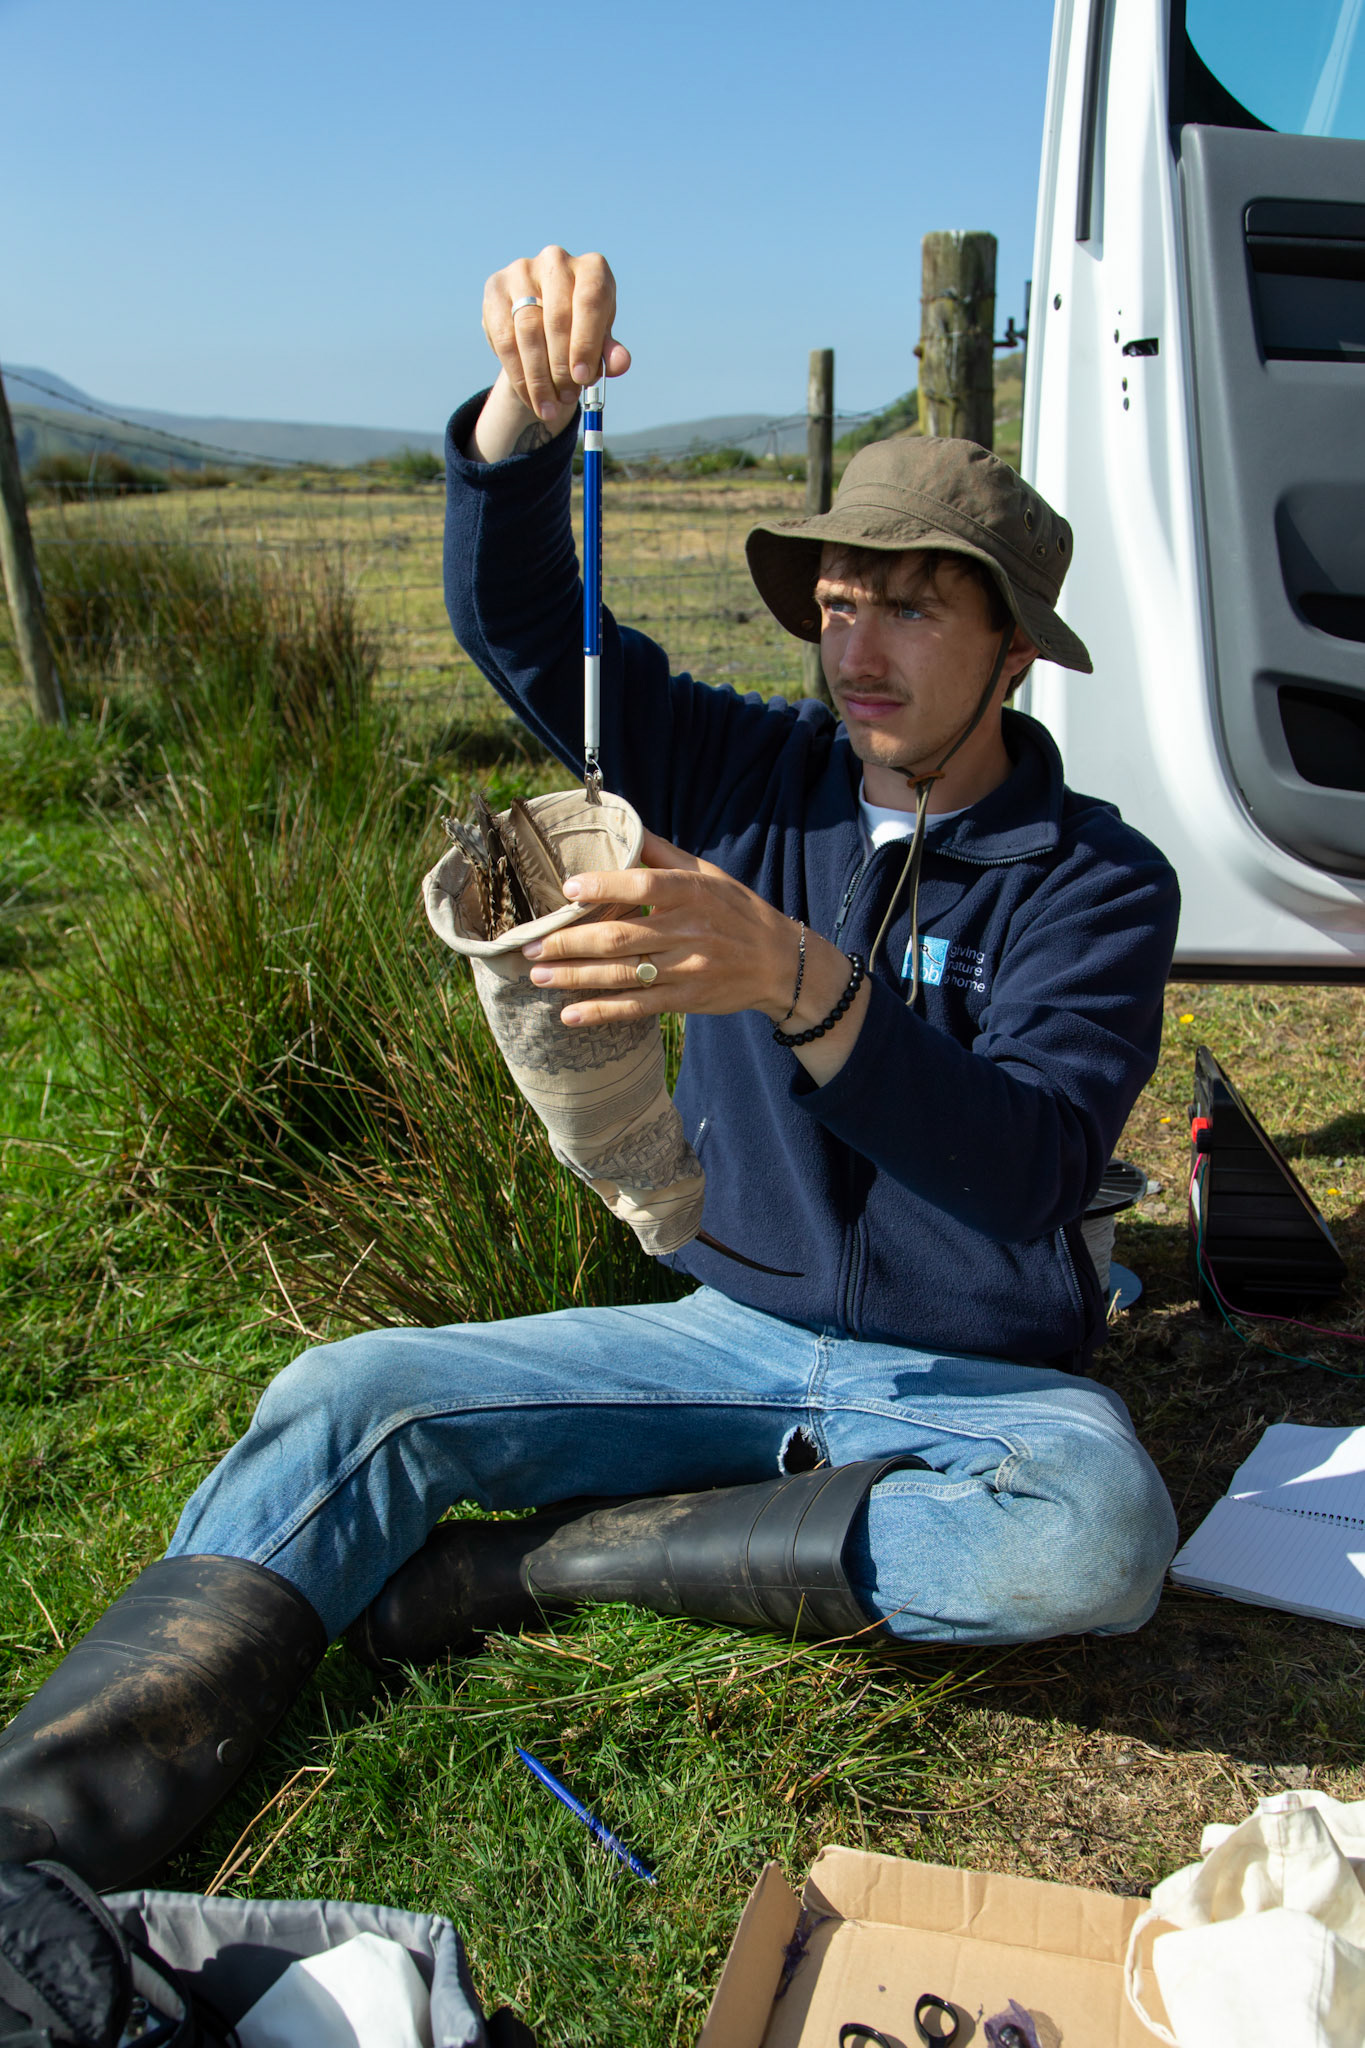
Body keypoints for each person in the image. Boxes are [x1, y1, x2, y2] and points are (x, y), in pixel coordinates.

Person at [0, 248, 1181, 1891]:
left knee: (1101, 1532)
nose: (858, 647)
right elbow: (520, 630)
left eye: (914, 604)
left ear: (1012, 651)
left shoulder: (1098, 880)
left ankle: (547, 1570)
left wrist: (796, 978)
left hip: (977, 1384)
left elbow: (1034, 1170)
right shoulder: (743, 770)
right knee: (350, 1400)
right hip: (726, 1328)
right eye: (838, 602)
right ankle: (41, 1835)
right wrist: (524, 423)